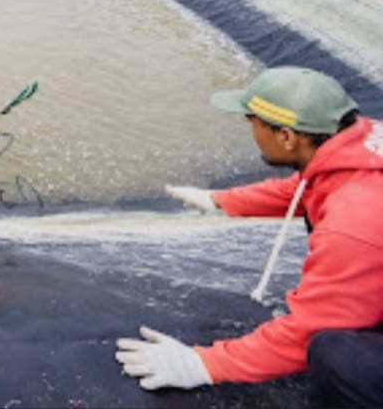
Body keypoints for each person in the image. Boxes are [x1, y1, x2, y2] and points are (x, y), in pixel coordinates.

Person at [115, 66, 383, 407]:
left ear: (287, 137)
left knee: (335, 354)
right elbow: (309, 187)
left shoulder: (352, 223)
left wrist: (204, 364)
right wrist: (219, 200)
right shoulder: (359, 145)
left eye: (252, 122)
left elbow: (305, 332)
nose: (250, 131)